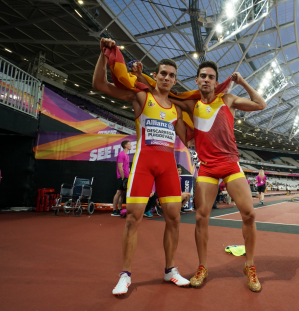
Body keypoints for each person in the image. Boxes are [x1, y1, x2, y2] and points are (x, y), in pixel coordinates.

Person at [93, 38, 190, 296]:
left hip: (169, 166)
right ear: (155, 76)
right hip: (144, 164)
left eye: (172, 75)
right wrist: (104, 56)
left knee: (174, 219)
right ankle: (125, 275)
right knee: (133, 220)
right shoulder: (141, 97)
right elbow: (99, 85)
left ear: (175, 81)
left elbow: (191, 138)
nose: (167, 78)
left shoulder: (177, 111)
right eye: (163, 74)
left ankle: (170, 270)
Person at [171, 61, 266, 292]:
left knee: (249, 214)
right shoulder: (190, 103)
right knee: (201, 217)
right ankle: (202, 267)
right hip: (207, 167)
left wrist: (241, 82)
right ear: (196, 80)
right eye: (202, 76)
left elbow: (260, 104)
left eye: (211, 77)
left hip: (230, 164)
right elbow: (164, 95)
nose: (206, 80)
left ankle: (250, 266)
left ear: (215, 81)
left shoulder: (228, 100)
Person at [112, 140, 131, 216]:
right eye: (129, 144)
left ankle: (119, 209)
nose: (130, 145)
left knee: (122, 193)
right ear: (125, 146)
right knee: (118, 193)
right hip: (121, 177)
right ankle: (114, 210)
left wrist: (127, 176)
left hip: (126, 177)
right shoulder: (121, 154)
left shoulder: (127, 155)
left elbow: (127, 167)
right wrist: (122, 177)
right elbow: (120, 167)